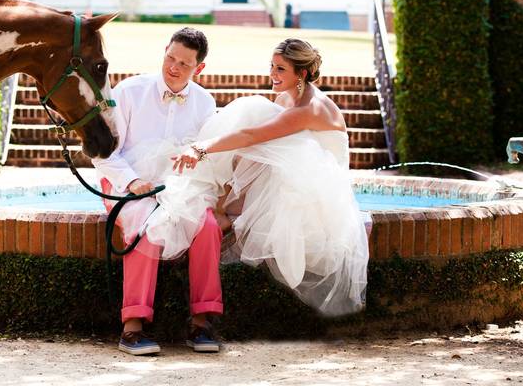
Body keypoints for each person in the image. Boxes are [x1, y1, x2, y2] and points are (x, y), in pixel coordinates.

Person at [145, 38, 369, 316]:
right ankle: (219, 202)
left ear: (302, 74)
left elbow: (253, 136)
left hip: (317, 188)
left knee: (250, 110)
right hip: (294, 170)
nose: (272, 75)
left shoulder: (310, 108)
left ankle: (220, 207)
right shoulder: (287, 97)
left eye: (281, 70)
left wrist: (201, 148)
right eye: (272, 66)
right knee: (252, 111)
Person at [92, 27, 222, 356]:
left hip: (177, 188)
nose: (174, 68)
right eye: (170, 58)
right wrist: (132, 182)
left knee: (207, 227)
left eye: (184, 64)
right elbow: (102, 151)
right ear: (165, 51)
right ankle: (132, 327)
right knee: (147, 226)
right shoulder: (130, 91)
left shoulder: (206, 102)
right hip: (126, 183)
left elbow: (207, 158)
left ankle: (202, 322)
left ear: (199, 68)